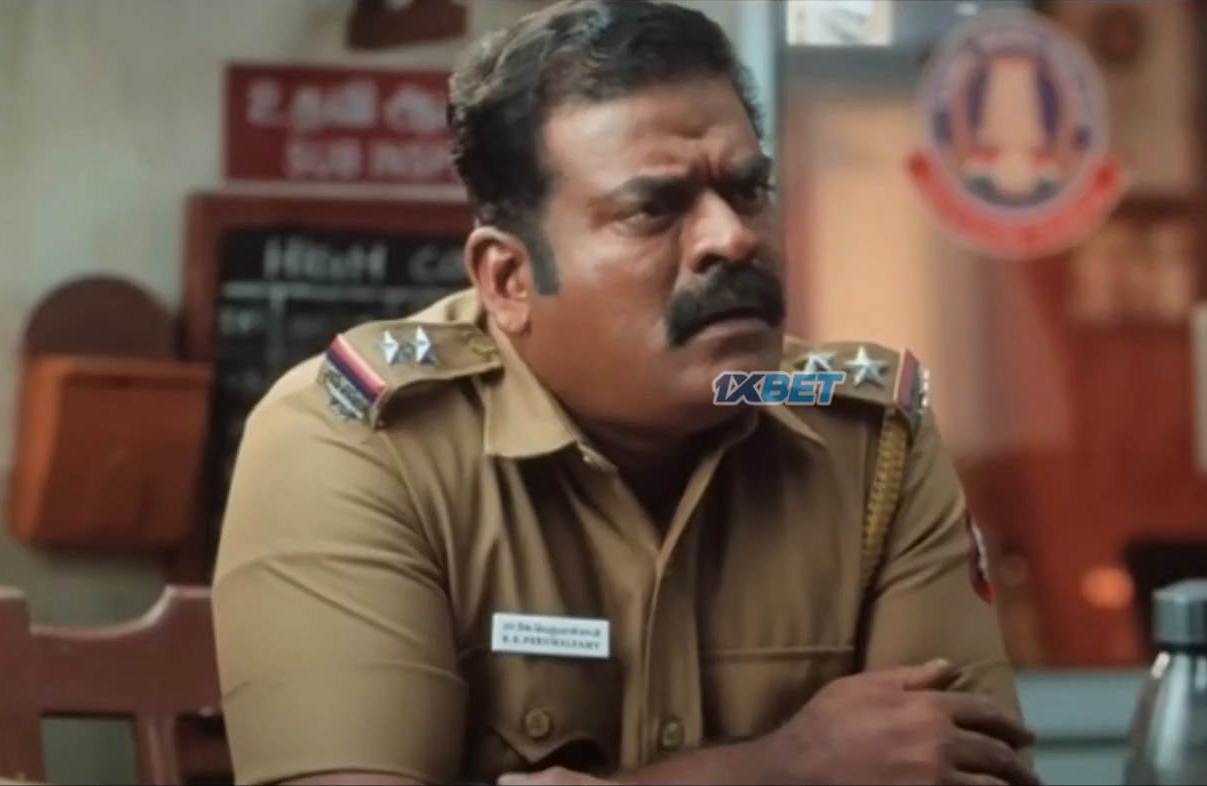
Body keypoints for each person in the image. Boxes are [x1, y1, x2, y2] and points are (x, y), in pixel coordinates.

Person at [212, 1, 1036, 784]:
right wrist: (786, 767)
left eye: (747, 190)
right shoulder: (357, 441)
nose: (732, 237)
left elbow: (963, 768)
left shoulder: (871, 440)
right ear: (510, 279)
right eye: (654, 208)